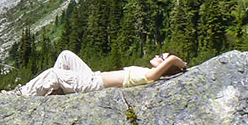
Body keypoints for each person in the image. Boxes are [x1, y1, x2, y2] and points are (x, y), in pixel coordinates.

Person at [16, 50, 187, 96]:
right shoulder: (147, 72)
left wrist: (177, 62)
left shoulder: (150, 75)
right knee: (66, 56)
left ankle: (23, 93)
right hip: (94, 76)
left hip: (94, 84)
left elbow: (153, 76)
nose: (158, 56)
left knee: (54, 74)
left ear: (165, 66)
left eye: (162, 57)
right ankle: (58, 90)